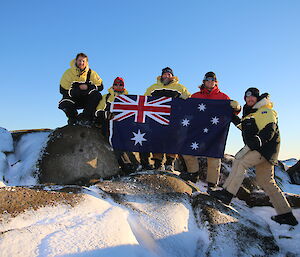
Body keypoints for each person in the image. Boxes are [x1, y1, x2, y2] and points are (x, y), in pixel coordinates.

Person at [210, 88, 298, 226]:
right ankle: (286, 215)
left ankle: (227, 194)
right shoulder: (251, 113)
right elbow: (243, 127)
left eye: (253, 97)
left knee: (240, 161)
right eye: (247, 97)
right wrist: (232, 116)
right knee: (267, 182)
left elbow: (270, 130)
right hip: (263, 151)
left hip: (264, 150)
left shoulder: (265, 110)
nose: (250, 99)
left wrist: (250, 146)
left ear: (258, 98)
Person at [180, 72, 241, 191]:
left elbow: (232, 112)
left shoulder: (223, 97)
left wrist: (237, 107)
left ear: (216, 82)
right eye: (207, 79)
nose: (210, 81)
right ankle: (193, 173)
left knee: (213, 156)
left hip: (215, 131)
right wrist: (183, 101)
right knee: (187, 151)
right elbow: (187, 109)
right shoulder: (196, 95)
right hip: (198, 129)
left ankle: (212, 184)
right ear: (203, 81)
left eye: (212, 79)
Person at [143, 67, 191, 171]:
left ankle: (170, 163)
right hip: (156, 118)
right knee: (157, 139)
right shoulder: (153, 87)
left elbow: (189, 99)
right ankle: (158, 163)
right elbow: (144, 100)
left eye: (169, 74)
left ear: (172, 76)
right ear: (161, 75)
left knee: (173, 140)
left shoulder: (179, 87)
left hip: (173, 118)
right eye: (165, 74)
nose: (167, 76)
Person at [95, 77, 138, 173]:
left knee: (125, 144)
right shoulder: (106, 97)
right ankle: (125, 166)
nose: (118, 86)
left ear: (123, 86)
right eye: (116, 84)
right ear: (113, 85)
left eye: (120, 84)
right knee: (113, 143)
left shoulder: (129, 99)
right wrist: (106, 114)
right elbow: (98, 111)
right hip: (108, 124)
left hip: (123, 126)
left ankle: (134, 165)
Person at [59, 53, 103, 125]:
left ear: (86, 62)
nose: (81, 63)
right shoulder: (68, 73)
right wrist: (77, 89)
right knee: (64, 102)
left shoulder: (92, 73)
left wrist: (88, 87)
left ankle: (86, 118)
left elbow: (100, 86)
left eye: (83, 61)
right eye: (79, 60)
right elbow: (62, 90)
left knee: (97, 95)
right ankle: (73, 119)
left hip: (86, 100)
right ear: (76, 61)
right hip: (73, 98)